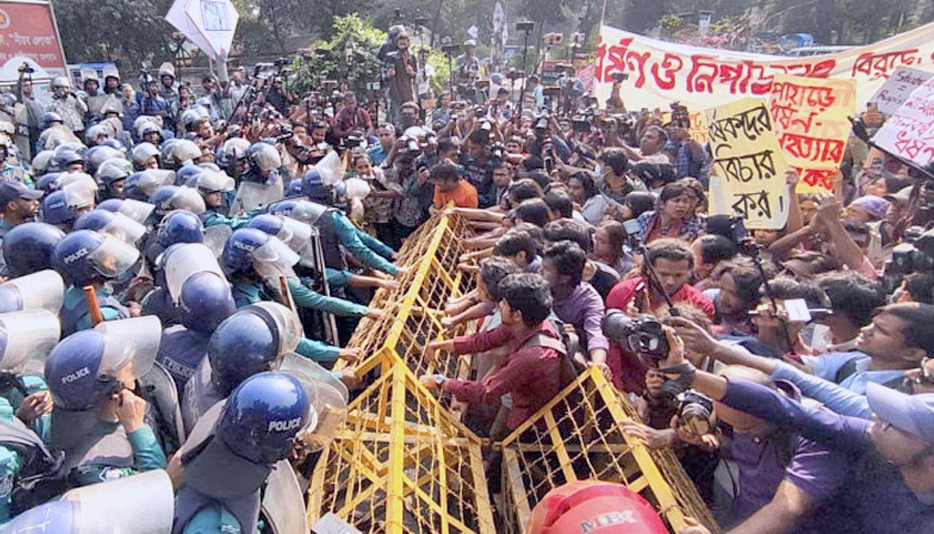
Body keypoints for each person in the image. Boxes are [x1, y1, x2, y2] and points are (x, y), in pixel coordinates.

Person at [657, 328, 934, 534]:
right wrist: (689, 374)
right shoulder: (865, 436)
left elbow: (788, 509)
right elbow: (784, 408)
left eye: (892, 422)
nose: (875, 418)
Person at [420, 273, 563, 436]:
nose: (500, 305)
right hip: (515, 395)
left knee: (503, 442)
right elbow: (484, 340)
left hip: (529, 418)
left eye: (504, 303)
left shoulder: (533, 356)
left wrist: (441, 382)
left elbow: (487, 392)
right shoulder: (524, 324)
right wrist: (440, 345)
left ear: (517, 315)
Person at [634, 180, 703, 243]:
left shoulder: (691, 228)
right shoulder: (646, 217)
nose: (681, 205)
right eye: (676, 201)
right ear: (662, 204)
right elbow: (627, 234)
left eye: (685, 202)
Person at [385, 31, 417, 127]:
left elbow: (415, 74)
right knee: (396, 117)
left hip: (408, 91)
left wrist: (412, 73)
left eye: (404, 41)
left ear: (408, 42)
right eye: (400, 41)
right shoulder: (391, 57)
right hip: (395, 91)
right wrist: (389, 74)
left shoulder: (412, 57)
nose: (402, 43)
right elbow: (385, 75)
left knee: (409, 116)